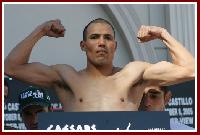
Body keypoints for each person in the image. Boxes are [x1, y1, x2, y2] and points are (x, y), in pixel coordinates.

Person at [4, 18, 195, 112]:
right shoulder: (67, 77)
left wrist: (162, 34)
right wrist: (41, 30)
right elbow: (11, 67)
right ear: (83, 45)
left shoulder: (134, 74)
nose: (101, 43)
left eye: (107, 38)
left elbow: (191, 70)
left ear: (115, 45)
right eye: (94, 37)